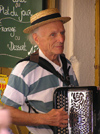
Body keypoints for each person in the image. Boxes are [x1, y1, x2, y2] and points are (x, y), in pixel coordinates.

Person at [1, 8, 78, 134]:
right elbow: (6, 112)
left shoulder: (67, 64)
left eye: (62, 33)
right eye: (53, 34)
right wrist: (46, 119)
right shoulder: (24, 70)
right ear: (36, 39)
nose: (61, 39)